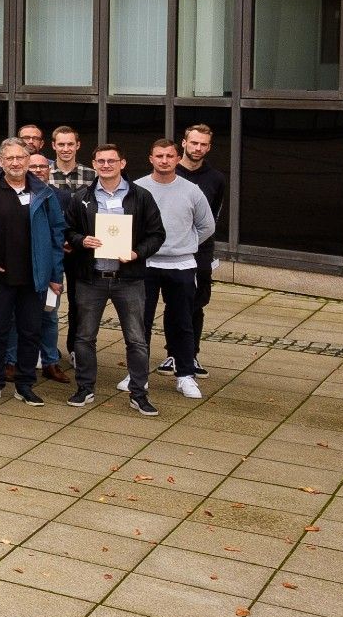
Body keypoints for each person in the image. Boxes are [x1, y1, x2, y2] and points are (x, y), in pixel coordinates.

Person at [62, 145, 166, 413]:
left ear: (122, 163)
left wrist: (136, 252)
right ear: (94, 165)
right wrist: (81, 240)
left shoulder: (141, 197)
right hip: (91, 277)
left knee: (136, 339)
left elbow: (157, 234)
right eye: (101, 161)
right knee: (84, 337)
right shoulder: (82, 197)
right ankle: (85, 388)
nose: (106, 165)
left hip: (128, 279)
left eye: (111, 161)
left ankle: (139, 393)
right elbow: (68, 230)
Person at [0, 139, 65, 407]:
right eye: (9, 158)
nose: (15, 163)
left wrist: (56, 275)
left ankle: (25, 385)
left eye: (20, 158)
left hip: (34, 276)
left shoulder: (44, 192)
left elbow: (57, 235)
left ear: (28, 159)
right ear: (0, 161)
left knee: (30, 331)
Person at [135, 139, 217, 399]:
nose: (164, 160)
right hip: (146, 263)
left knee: (182, 321)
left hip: (181, 265)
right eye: (159, 156)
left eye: (169, 156)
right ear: (151, 158)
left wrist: (185, 244)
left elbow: (207, 226)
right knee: (140, 321)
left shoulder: (191, 190)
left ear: (176, 157)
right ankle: (137, 375)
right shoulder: (137, 188)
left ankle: (185, 375)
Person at [173, 123, 226, 379]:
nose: (198, 148)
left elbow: (212, 217)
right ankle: (173, 353)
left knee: (196, 303)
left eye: (203, 144)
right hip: (170, 249)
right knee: (174, 301)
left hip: (201, 250)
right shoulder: (169, 171)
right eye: (194, 142)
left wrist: (196, 242)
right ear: (183, 143)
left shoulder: (215, 178)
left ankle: (191, 354)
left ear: (209, 147)